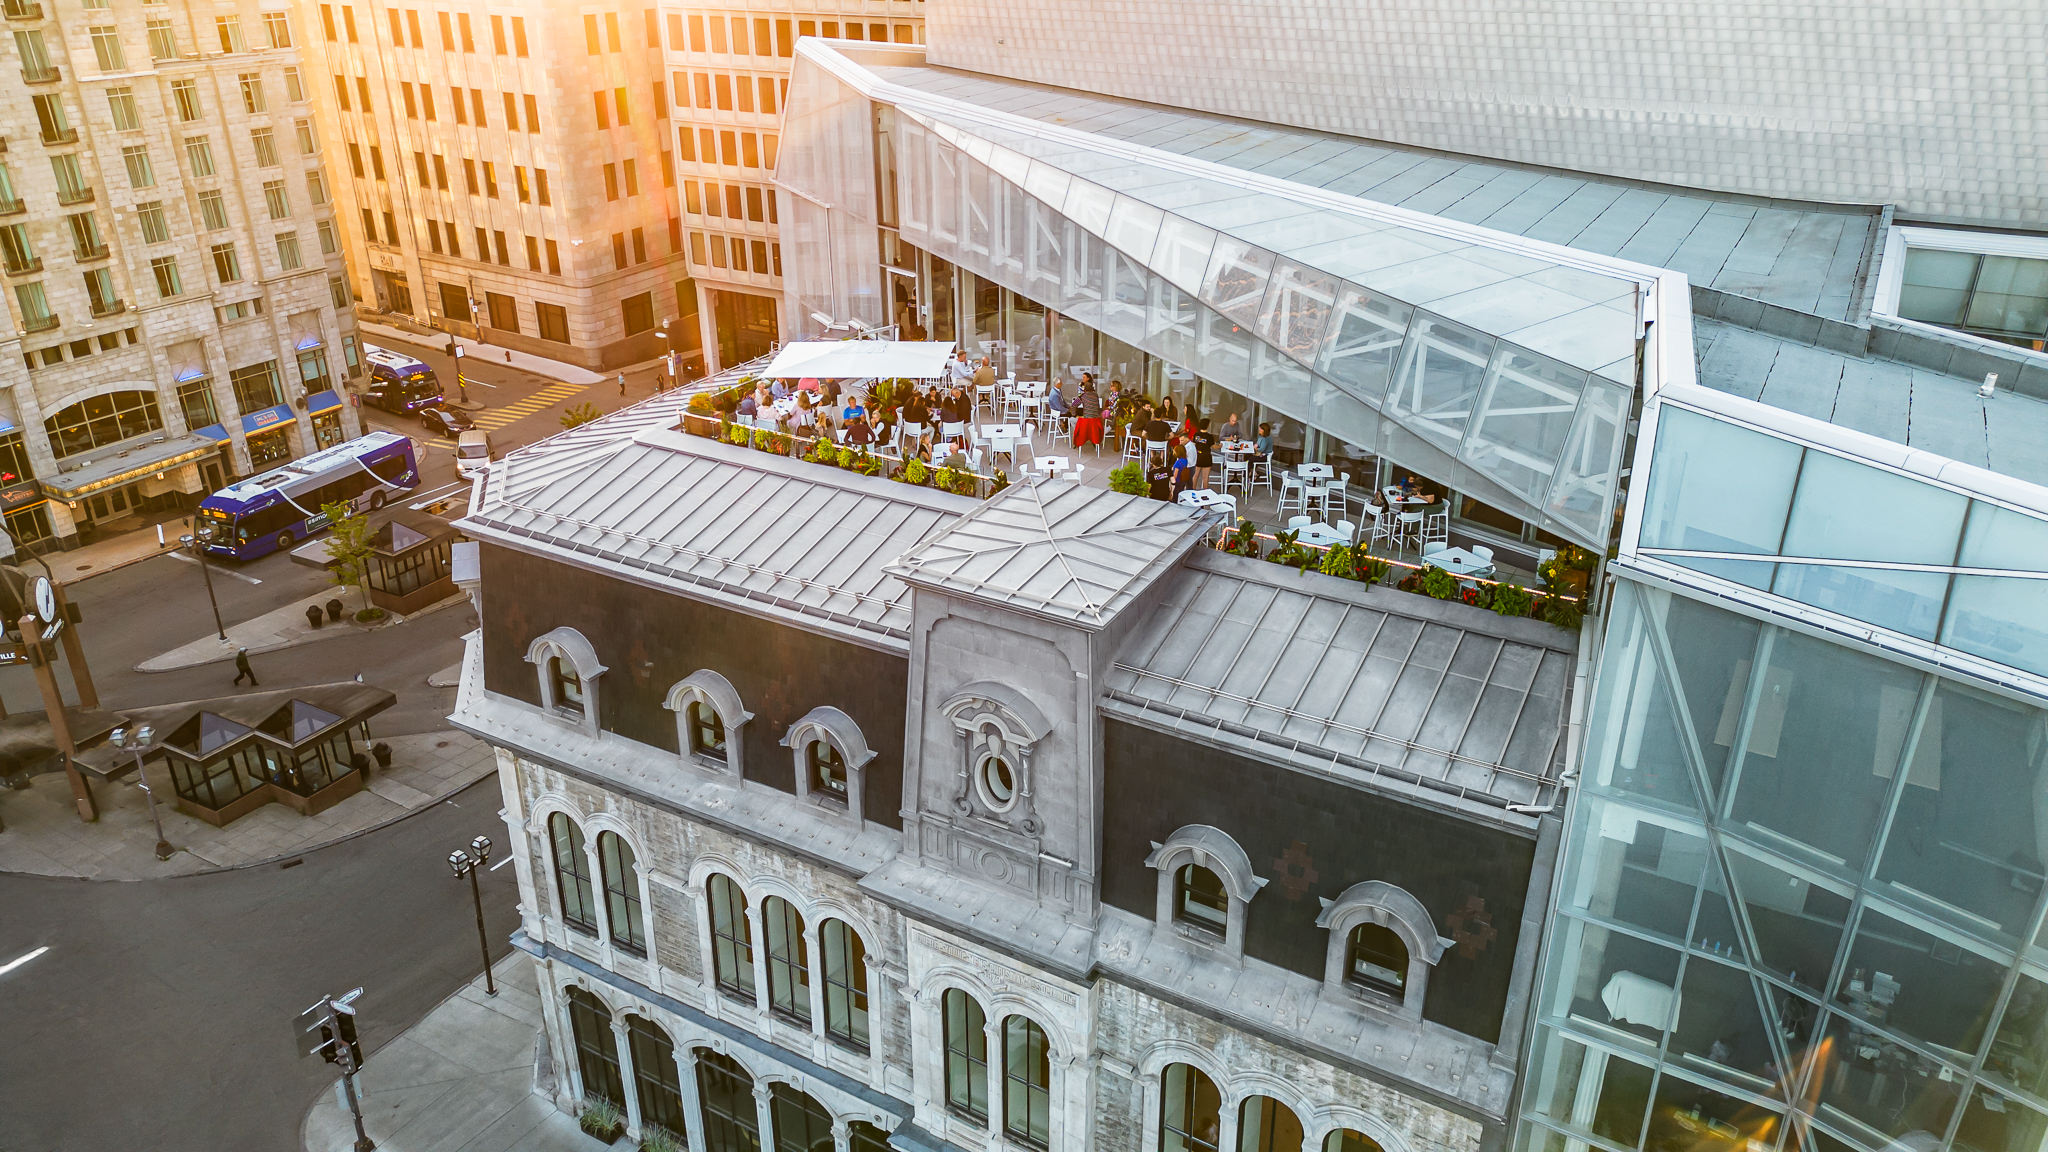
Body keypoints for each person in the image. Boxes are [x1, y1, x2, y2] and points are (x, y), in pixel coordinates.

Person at [1192, 416, 1217, 491]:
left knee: (1195, 476)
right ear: (1207, 426)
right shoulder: (1209, 436)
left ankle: (1192, 491)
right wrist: (1220, 445)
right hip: (1206, 457)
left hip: (1198, 456)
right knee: (1205, 478)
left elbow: (1193, 444)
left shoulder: (1196, 435)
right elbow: (1214, 446)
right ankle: (1205, 493)